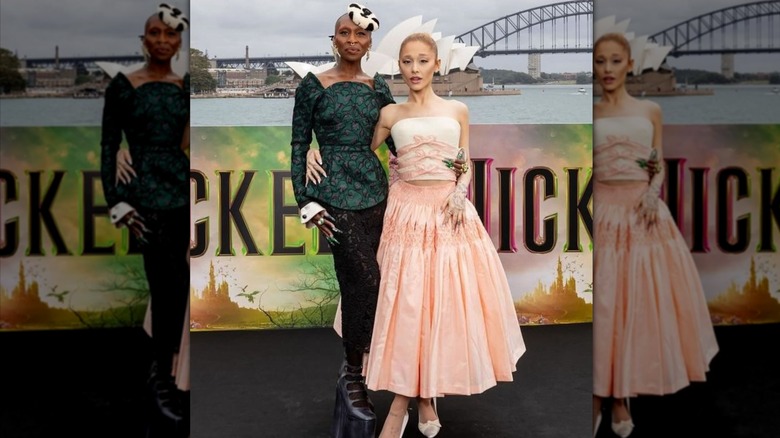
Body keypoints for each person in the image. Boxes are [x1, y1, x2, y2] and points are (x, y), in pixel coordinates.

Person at [360, 32, 526, 438]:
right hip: (405, 213)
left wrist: (460, 191)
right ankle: (422, 401)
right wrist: (313, 148)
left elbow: (463, 163)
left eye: (421, 61)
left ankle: (408, 404)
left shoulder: (458, 109)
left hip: (449, 213)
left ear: (437, 64)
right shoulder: (390, 114)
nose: (414, 69)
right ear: (398, 66)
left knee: (440, 304)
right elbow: (353, 153)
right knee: (409, 305)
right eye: (406, 62)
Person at [591, 32, 719, 438]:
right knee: (606, 308)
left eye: (615, 61)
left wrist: (651, 193)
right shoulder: (589, 113)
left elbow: (657, 163)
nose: (607, 69)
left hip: (643, 216)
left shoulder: (650, 110)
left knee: (635, 306)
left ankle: (621, 395)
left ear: (629, 64)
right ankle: (604, 395)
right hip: (604, 215)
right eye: (600, 62)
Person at [290, 4, 394, 437]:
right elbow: (299, 143)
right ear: (333, 39)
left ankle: (356, 371)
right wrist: (306, 202)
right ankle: (355, 370)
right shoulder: (314, 85)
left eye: (361, 34)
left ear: (370, 43)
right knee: (367, 278)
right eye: (344, 32)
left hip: (376, 194)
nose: (352, 40)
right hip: (333, 197)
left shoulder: (379, 86)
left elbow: (398, 137)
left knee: (361, 283)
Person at [100, 3, 190, 432]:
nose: (161, 40)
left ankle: (171, 370)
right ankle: (161, 378)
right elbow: (107, 146)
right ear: (144, 40)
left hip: (180, 196)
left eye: (168, 34)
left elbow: (191, 139)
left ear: (177, 42)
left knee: (179, 289)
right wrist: (117, 201)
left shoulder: (183, 86)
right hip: (144, 202)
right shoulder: (122, 86)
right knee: (164, 288)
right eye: (153, 33)